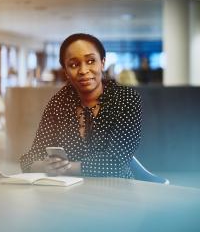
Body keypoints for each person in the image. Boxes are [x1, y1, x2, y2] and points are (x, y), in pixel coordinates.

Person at [20, 33, 142, 179]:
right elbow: (30, 159)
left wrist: (66, 168)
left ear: (102, 62)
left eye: (91, 61)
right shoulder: (59, 103)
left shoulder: (126, 99)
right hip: (68, 192)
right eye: (73, 64)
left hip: (116, 191)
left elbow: (115, 164)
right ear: (65, 71)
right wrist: (43, 166)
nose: (83, 71)